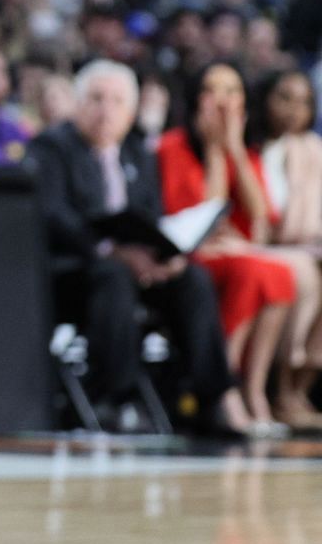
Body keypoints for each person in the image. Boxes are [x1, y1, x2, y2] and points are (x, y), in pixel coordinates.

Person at [25, 61, 246, 435]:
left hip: (136, 266)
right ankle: (117, 398)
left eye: (116, 101)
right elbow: (53, 215)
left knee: (192, 279)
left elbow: (151, 215)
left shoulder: (137, 151)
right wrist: (109, 250)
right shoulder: (52, 147)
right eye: (95, 99)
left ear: (130, 112)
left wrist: (167, 256)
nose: (105, 109)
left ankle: (211, 399)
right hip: (75, 271)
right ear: (78, 104)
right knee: (114, 275)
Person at [155, 64, 297, 435]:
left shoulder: (245, 150)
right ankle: (221, 389)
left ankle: (253, 390)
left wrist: (233, 147)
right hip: (184, 258)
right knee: (257, 271)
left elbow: (261, 214)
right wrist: (217, 150)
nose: (223, 101)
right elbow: (204, 218)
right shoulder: (174, 146)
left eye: (233, 91)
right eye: (212, 90)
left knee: (278, 272)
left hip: (229, 256)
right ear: (195, 99)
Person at [250, 69, 322, 430]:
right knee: (303, 273)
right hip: (258, 247)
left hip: (304, 247)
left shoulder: (313, 150)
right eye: (286, 98)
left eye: (305, 101)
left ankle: (301, 385)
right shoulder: (252, 146)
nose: (296, 109)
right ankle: (281, 386)